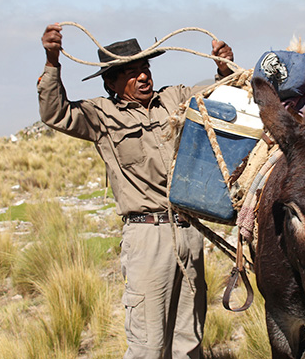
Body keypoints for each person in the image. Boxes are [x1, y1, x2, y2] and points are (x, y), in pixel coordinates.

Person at [38, 23, 234, 359]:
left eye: (145, 68)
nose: (143, 77)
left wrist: (223, 68)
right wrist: (52, 61)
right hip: (147, 238)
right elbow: (55, 112)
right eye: (131, 72)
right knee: (148, 345)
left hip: (190, 231)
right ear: (111, 82)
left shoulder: (174, 98)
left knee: (189, 342)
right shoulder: (101, 114)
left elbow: (222, 103)